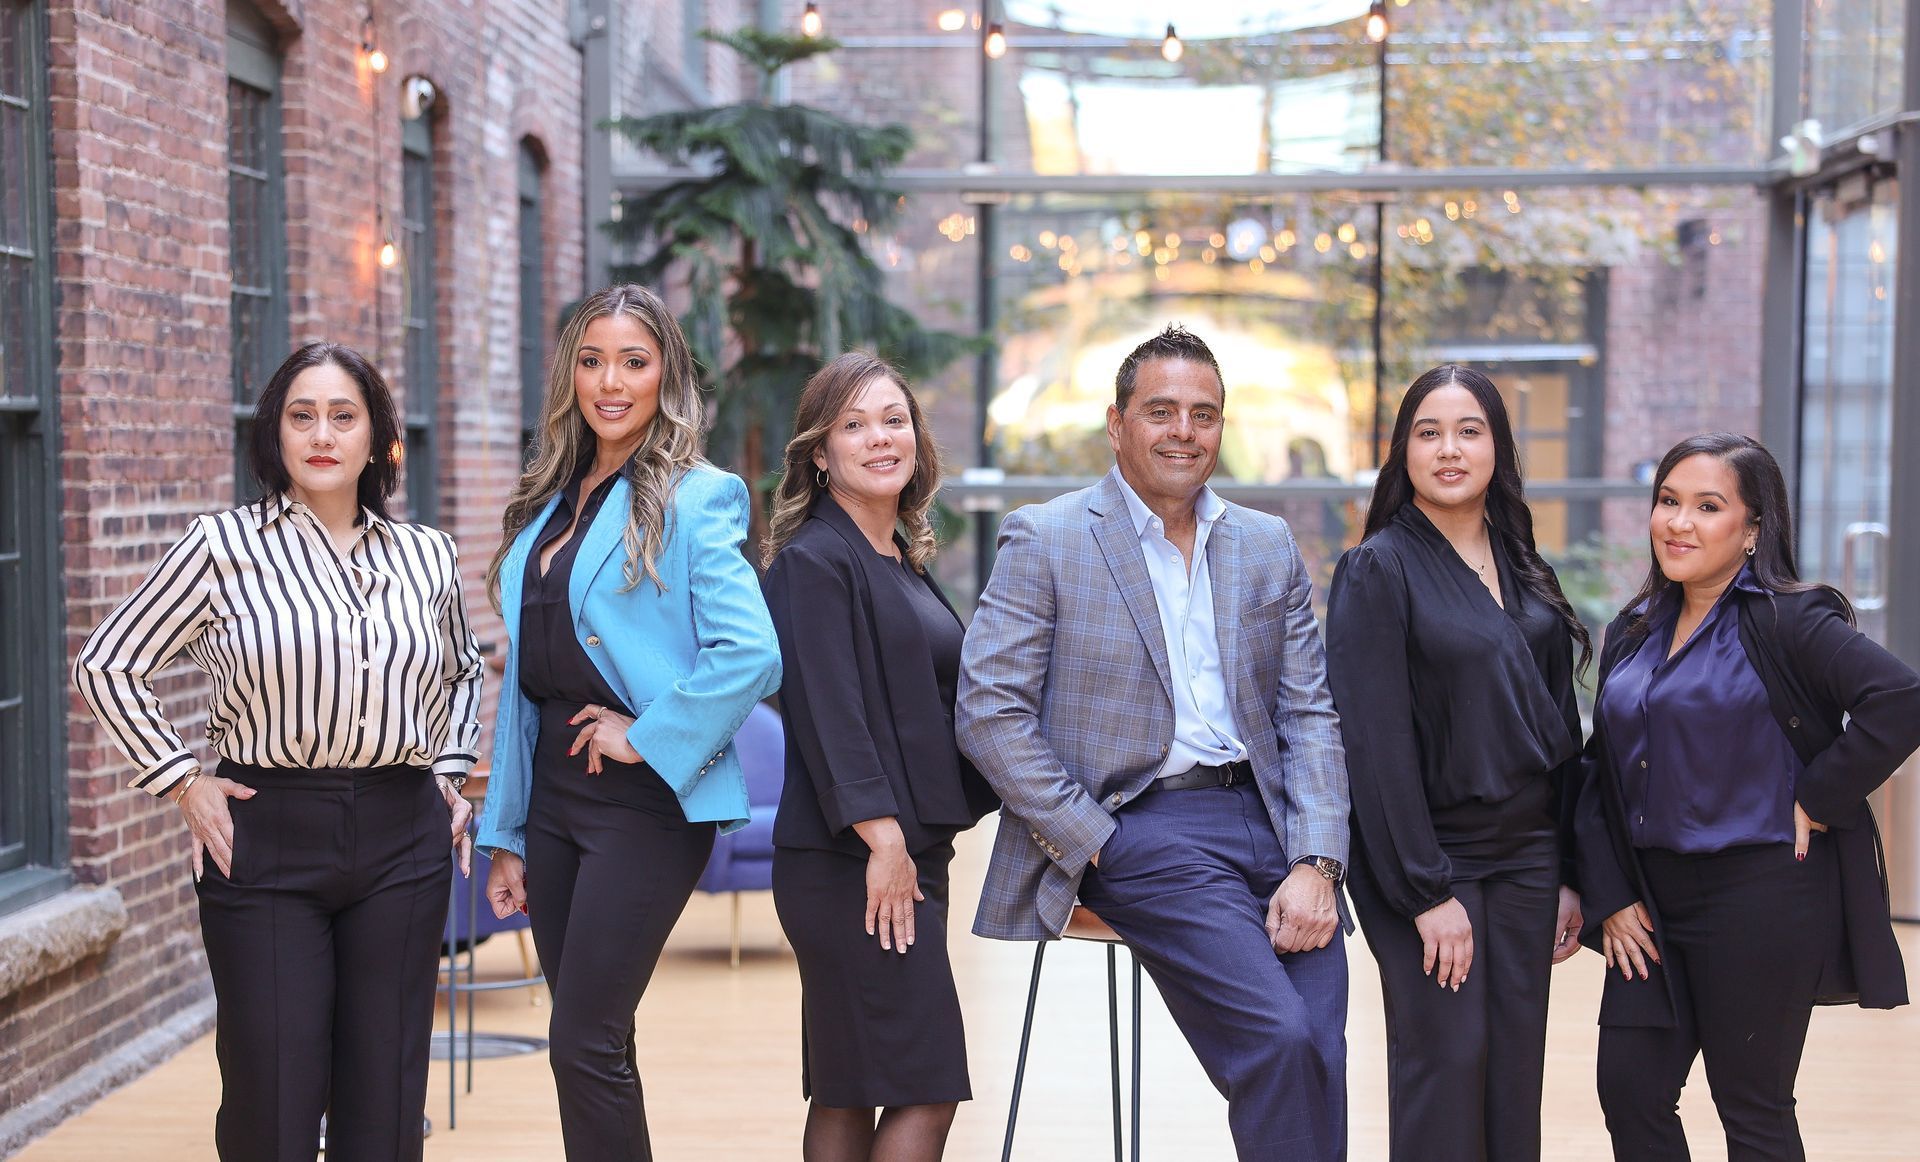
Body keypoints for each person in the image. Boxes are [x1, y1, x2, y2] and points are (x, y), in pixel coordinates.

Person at [74, 342, 485, 1161]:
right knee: (272, 1095)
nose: (322, 435)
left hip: (402, 836)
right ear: (276, 434)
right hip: (266, 834)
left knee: (389, 1099)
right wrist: (183, 783)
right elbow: (106, 663)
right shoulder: (219, 548)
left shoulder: (425, 556)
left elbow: (463, 671)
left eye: (344, 416)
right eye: (302, 416)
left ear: (377, 439)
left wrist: (445, 773)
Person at [956, 324, 1351, 1160]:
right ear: (1117, 423)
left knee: (1318, 1047)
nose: (1183, 431)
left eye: (1203, 414)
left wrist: (1318, 860)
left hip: (1272, 824)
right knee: (1277, 1040)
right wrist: (1091, 840)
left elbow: (1309, 713)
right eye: (1161, 410)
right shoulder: (1050, 536)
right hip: (1143, 828)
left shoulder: (1264, 542)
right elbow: (989, 711)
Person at [472, 285, 781, 1161]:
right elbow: (527, 680)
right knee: (593, 1047)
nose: (611, 382)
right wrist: (508, 832)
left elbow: (751, 654)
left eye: (634, 362)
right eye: (592, 360)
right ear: (570, 371)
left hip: (642, 807)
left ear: (666, 376)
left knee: (582, 1041)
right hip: (556, 806)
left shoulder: (695, 496)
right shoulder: (549, 498)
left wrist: (645, 733)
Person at [1574, 432, 1918, 1161]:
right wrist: (1607, 894)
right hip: (1649, 904)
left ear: (1753, 528)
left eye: (1708, 506)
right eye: (1669, 502)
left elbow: (1899, 697)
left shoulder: (1791, 620)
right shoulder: (1633, 631)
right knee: (1631, 1093)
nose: (1679, 523)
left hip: (1759, 897)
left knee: (1751, 1109)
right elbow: (1599, 772)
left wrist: (1818, 793)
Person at [1323, 365, 1589, 1162]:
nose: (1448, 449)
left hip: (1529, 858)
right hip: (1429, 857)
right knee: (1447, 1059)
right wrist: (1423, 891)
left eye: (1469, 431)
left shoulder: (1524, 565)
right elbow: (1373, 745)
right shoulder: (1377, 569)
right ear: (1402, 451)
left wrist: (1571, 868)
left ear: (1497, 448)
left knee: (1514, 1068)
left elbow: (1560, 733)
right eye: (1427, 432)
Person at [760, 351, 998, 1162]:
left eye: (894, 419)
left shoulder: (899, 557)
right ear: (820, 455)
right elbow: (831, 714)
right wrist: (885, 841)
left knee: (853, 1085)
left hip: (900, 856)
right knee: (921, 1088)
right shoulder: (811, 562)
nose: (879, 437)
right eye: (853, 425)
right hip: (852, 862)